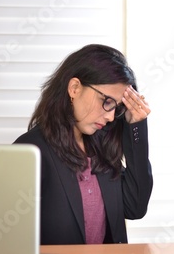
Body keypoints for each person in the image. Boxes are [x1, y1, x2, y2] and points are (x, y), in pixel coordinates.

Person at [13, 44, 153, 245]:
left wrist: (136, 127)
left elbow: (135, 207)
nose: (111, 116)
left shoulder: (101, 147)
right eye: (106, 101)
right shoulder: (30, 151)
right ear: (74, 88)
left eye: (117, 107)